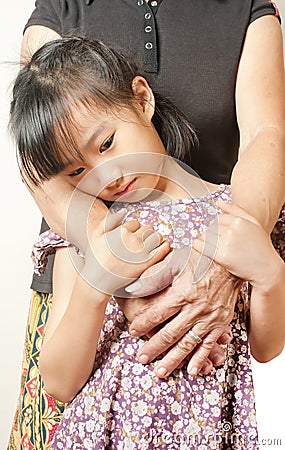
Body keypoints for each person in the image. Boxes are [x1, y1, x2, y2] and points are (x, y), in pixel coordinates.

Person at [8, 1, 285, 449]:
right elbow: (57, 382)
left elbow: (265, 346)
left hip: (209, 433)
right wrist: (98, 283)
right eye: (76, 172)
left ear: (142, 100)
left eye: (108, 144)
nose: (104, 175)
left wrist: (270, 274)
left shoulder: (229, 218)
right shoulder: (82, 239)